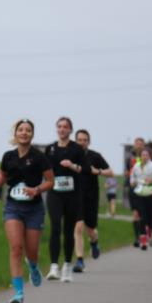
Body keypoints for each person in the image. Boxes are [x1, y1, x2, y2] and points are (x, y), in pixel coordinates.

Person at [0, 119, 54, 303]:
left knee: (31, 252)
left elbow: (50, 181)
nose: (24, 133)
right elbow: (3, 175)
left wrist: (37, 190)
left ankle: (33, 266)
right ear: (15, 134)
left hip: (34, 209)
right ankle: (18, 293)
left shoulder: (39, 157)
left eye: (28, 130)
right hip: (13, 207)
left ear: (32, 134)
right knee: (16, 248)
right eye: (21, 130)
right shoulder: (8, 156)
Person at [44, 117, 87, 283]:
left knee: (69, 230)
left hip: (72, 194)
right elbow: (45, 170)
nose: (62, 129)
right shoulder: (50, 149)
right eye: (59, 127)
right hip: (55, 193)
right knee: (55, 227)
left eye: (65, 127)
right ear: (57, 129)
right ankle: (54, 266)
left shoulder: (77, 149)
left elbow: (84, 169)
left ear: (70, 130)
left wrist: (71, 165)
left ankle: (67, 266)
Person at [72, 129, 113, 272]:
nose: (82, 142)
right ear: (75, 141)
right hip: (75, 196)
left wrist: (99, 171)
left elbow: (111, 172)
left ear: (88, 141)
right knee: (78, 227)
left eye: (85, 140)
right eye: (80, 140)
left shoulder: (95, 156)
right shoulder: (71, 155)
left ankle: (94, 242)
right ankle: (80, 261)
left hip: (91, 196)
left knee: (90, 230)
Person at [129, 147, 152, 251]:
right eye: (142, 155)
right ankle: (143, 240)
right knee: (142, 217)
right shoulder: (136, 166)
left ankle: (150, 230)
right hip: (139, 194)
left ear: (150, 156)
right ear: (140, 156)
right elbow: (132, 177)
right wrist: (133, 182)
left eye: (146, 155)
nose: (144, 157)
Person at [126, 137, 147, 247]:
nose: (138, 145)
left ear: (144, 146)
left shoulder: (147, 157)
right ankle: (137, 238)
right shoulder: (130, 157)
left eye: (140, 144)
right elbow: (127, 171)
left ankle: (143, 236)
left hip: (145, 188)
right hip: (133, 188)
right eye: (136, 143)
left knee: (143, 215)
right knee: (135, 214)